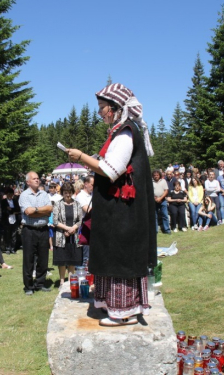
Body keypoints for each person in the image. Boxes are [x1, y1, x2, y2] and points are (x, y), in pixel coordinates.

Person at [67, 83, 156, 326]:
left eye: (102, 108)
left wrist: (81, 157)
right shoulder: (119, 132)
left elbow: (111, 170)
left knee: (120, 257)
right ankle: (113, 306)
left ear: (116, 108)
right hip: (118, 211)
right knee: (111, 254)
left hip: (124, 214)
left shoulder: (126, 132)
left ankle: (123, 312)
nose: (99, 114)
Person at [18, 172, 53, 295]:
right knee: (29, 259)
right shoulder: (24, 195)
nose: (37, 180)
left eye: (38, 178)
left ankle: (40, 283)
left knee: (43, 258)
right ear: (28, 182)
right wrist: (41, 211)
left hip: (43, 229)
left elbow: (50, 210)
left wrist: (36, 210)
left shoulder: (44, 194)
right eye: (34, 179)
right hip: (29, 230)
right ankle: (28, 286)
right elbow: (28, 211)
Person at [52, 182, 83, 288]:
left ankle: (70, 281)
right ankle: (61, 281)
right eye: (65, 193)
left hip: (74, 237)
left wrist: (73, 228)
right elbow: (55, 221)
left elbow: (80, 220)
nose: (68, 195)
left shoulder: (77, 204)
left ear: (72, 192)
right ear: (62, 193)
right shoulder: (57, 204)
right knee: (61, 260)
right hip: (61, 236)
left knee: (72, 259)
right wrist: (67, 229)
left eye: (69, 193)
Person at [75, 175, 94, 263]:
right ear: (86, 184)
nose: (94, 187)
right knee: (86, 254)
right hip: (84, 228)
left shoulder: (92, 195)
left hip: (93, 226)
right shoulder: (80, 196)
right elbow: (87, 209)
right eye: (92, 185)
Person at [1, 188, 21, 254]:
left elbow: (18, 210)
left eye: (11, 194)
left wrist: (11, 210)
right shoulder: (3, 201)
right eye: (8, 194)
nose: (10, 196)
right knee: (7, 234)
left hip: (14, 220)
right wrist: (12, 211)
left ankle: (13, 248)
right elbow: (4, 211)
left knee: (14, 234)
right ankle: (7, 248)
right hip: (6, 220)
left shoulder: (15, 201)